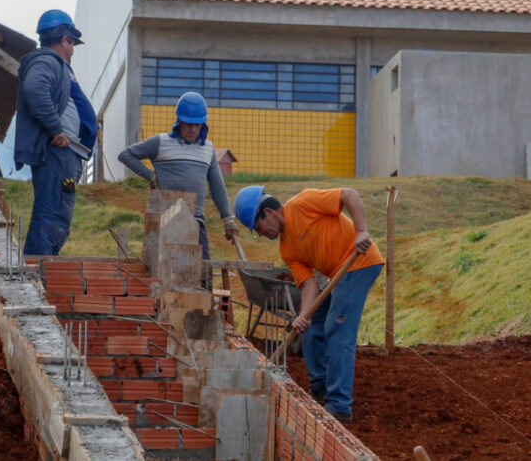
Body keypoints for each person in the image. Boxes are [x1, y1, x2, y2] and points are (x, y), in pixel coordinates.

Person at [233, 185, 383, 423]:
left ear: (269, 212)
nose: (260, 234)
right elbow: (309, 285)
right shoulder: (287, 248)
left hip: (360, 263)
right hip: (336, 275)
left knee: (338, 328)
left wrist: (361, 231)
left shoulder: (303, 203)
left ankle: (339, 404)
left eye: (258, 228)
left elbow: (349, 194)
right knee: (310, 327)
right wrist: (303, 316)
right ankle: (320, 387)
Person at [118, 92, 239, 286]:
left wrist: (228, 219)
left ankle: (201, 314)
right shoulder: (161, 142)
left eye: (197, 125)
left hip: (195, 222)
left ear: (203, 125)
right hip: (165, 223)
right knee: (166, 277)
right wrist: (151, 176)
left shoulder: (207, 148)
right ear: (179, 122)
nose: (192, 129)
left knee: (202, 277)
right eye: (187, 124)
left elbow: (217, 186)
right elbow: (126, 155)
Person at [14, 9, 96, 256]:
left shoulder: (55, 65)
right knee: (51, 217)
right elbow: (34, 89)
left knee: (55, 217)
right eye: (72, 44)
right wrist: (56, 129)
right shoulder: (48, 61)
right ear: (65, 40)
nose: (72, 51)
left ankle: (40, 271)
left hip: (66, 155)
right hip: (59, 153)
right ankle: (37, 276)